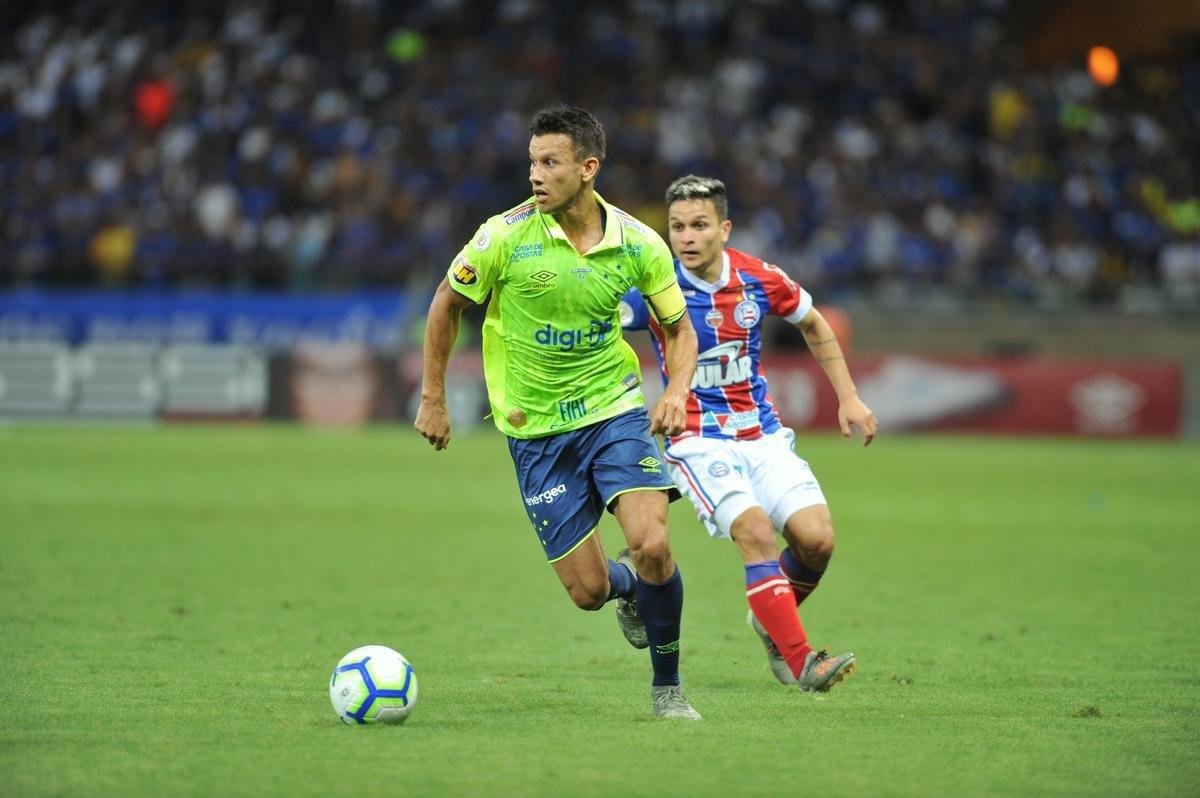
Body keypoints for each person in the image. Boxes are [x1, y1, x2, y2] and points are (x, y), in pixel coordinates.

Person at [415, 106, 702, 719]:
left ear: (587, 168)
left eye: (550, 163)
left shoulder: (638, 244)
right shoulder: (503, 235)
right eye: (532, 163)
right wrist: (433, 397)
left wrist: (675, 392)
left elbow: (678, 330)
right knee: (590, 591)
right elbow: (446, 304)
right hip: (535, 430)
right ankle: (627, 591)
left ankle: (668, 690)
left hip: (613, 408)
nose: (536, 175)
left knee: (652, 544)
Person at [620, 175, 877, 691]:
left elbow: (815, 323)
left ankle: (770, 617)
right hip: (695, 437)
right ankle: (802, 659)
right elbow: (596, 327)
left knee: (818, 541)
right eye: (676, 227)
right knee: (756, 533)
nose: (686, 237)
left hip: (761, 433)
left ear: (724, 228)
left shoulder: (759, 278)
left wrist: (849, 396)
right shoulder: (654, 288)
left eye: (698, 225)